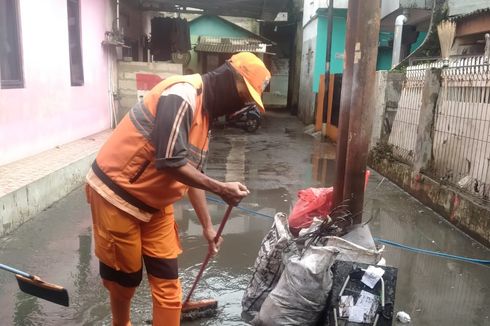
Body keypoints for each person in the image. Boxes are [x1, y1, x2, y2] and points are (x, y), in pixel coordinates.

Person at [85, 52, 271, 326]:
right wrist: (221, 189)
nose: (242, 105)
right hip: (117, 196)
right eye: (244, 96)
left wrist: (208, 227)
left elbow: (192, 175)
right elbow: (170, 162)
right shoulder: (181, 94)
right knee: (124, 282)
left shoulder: (205, 118)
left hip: (155, 205)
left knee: (169, 288)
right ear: (232, 82)